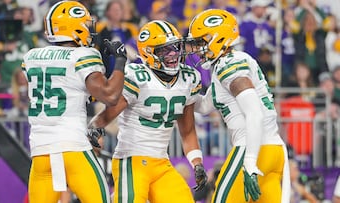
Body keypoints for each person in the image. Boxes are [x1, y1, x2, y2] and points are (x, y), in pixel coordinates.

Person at [88, 20, 207, 203]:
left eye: (175, 47)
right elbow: (111, 111)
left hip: (161, 162)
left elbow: (188, 130)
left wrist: (197, 163)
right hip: (131, 160)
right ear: (149, 52)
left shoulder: (188, 78)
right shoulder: (138, 76)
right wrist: (95, 125)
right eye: (164, 50)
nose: (173, 53)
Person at [21, 1, 127, 203]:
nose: (89, 29)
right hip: (73, 148)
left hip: (41, 152)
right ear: (74, 27)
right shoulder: (83, 55)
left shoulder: (32, 56)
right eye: (85, 24)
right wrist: (120, 60)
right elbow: (111, 96)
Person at [186, 9, 291, 203]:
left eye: (201, 41)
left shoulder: (229, 64)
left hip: (252, 149)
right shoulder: (228, 63)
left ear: (218, 38)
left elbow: (254, 114)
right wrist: (183, 90)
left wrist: (250, 161)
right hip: (272, 150)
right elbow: (205, 105)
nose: (198, 48)